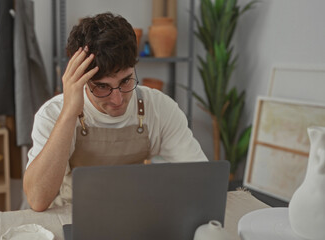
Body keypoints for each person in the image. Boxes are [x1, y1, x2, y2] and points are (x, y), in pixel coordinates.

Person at [23, 12, 207, 212]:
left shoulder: (159, 107)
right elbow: (37, 199)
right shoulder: (52, 114)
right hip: (73, 215)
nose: (118, 99)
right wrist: (69, 113)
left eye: (126, 81)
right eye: (102, 87)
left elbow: (201, 179)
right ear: (80, 81)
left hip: (133, 213)